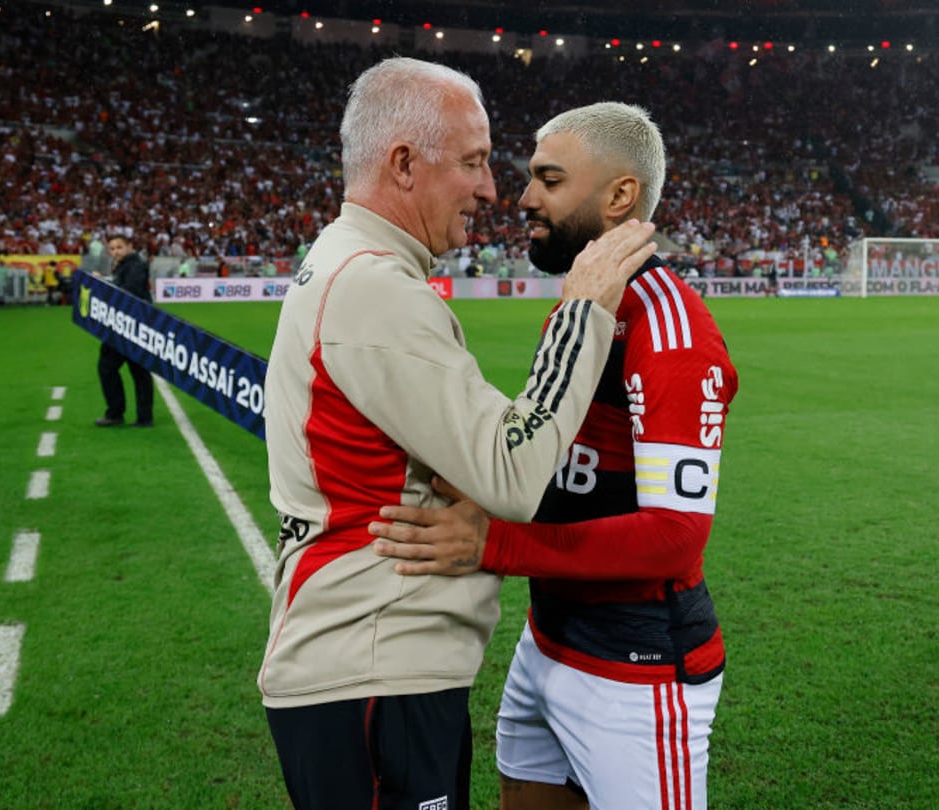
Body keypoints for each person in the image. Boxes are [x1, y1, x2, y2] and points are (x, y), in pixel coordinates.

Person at [257, 58, 656, 810]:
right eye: (474, 162)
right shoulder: (373, 285)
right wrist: (584, 311)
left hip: (374, 667)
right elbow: (511, 472)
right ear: (404, 163)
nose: (492, 189)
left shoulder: (350, 262)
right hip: (374, 669)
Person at [369, 102, 738, 810]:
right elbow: (556, 467)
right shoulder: (579, 311)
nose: (524, 198)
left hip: (637, 668)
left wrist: (493, 541)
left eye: (549, 180)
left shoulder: (669, 330)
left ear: (619, 197)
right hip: (547, 642)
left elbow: (675, 537)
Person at [94, 234, 154, 427]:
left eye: (119, 247)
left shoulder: (135, 265)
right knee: (138, 371)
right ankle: (142, 416)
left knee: (109, 367)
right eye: (112, 248)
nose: (115, 252)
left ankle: (116, 413)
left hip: (129, 324)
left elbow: (130, 292)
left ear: (129, 246)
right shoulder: (126, 265)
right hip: (128, 324)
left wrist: (104, 284)